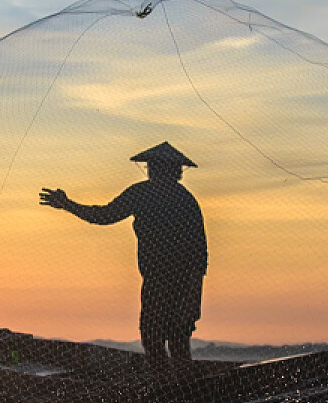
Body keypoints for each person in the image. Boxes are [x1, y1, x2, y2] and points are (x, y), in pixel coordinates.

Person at [40, 142, 208, 374]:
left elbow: (199, 254)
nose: (153, 170)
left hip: (175, 280)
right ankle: (170, 384)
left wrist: (68, 205)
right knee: (163, 337)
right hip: (164, 280)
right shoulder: (162, 196)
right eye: (153, 166)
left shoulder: (168, 198)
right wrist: (68, 205)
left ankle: (172, 387)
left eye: (156, 166)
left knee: (165, 337)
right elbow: (104, 215)